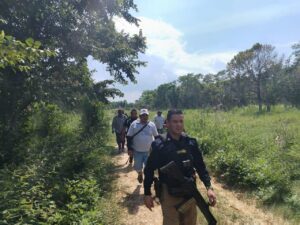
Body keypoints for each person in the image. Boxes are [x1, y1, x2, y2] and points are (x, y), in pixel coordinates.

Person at [143, 109, 217, 225]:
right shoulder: (159, 145)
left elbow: (200, 167)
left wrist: (209, 187)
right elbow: (149, 170)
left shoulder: (191, 143)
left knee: (190, 222)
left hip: (189, 192)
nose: (178, 125)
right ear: (167, 123)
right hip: (169, 193)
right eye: (175, 121)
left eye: (181, 121)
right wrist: (147, 193)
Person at [127, 108, 159, 183]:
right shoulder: (134, 124)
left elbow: (156, 137)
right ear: (140, 116)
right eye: (143, 115)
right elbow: (129, 137)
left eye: (146, 115)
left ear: (148, 116)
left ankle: (148, 181)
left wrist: (157, 149)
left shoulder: (152, 124)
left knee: (149, 167)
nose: (145, 117)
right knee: (138, 167)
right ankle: (140, 174)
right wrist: (130, 148)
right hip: (137, 151)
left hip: (149, 151)